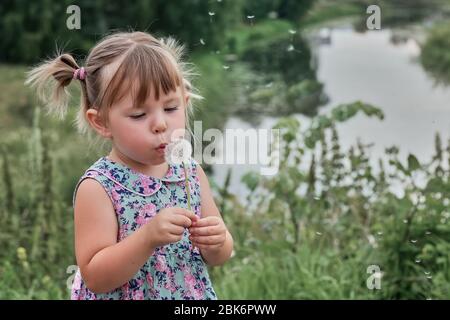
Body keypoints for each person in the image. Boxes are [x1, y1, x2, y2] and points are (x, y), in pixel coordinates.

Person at [26, 31, 233, 300]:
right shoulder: (100, 187)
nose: (160, 124)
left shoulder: (189, 172)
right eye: (138, 114)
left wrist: (218, 241)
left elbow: (219, 255)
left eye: (170, 109)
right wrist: (146, 238)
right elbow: (96, 278)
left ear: (185, 103)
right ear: (100, 122)